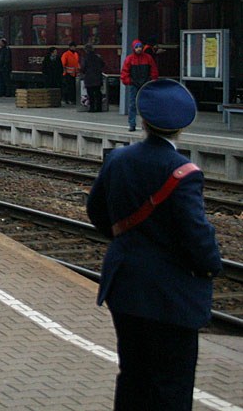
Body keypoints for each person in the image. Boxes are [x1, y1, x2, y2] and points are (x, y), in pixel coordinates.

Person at [86, 79, 222, 411]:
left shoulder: (118, 159)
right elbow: (196, 236)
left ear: (143, 121)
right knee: (171, 385)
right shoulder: (183, 172)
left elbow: (96, 211)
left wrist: (128, 242)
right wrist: (210, 265)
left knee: (132, 375)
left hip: (126, 288)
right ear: (183, 127)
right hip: (170, 297)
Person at [120, 39, 158, 131]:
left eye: (140, 47)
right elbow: (124, 73)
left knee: (138, 104)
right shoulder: (132, 59)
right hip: (138, 84)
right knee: (134, 104)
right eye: (137, 47)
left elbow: (154, 70)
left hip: (140, 84)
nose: (139, 49)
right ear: (134, 48)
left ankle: (142, 124)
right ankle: (133, 124)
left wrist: (152, 79)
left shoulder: (146, 58)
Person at [80, 43, 105, 112]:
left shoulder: (85, 58)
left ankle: (92, 108)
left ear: (86, 50)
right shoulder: (98, 57)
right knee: (98, 93)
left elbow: (83, 68)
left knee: (90, 94)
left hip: (89, 79)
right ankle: (99, 108)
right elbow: (103, 64)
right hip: (97, 78)